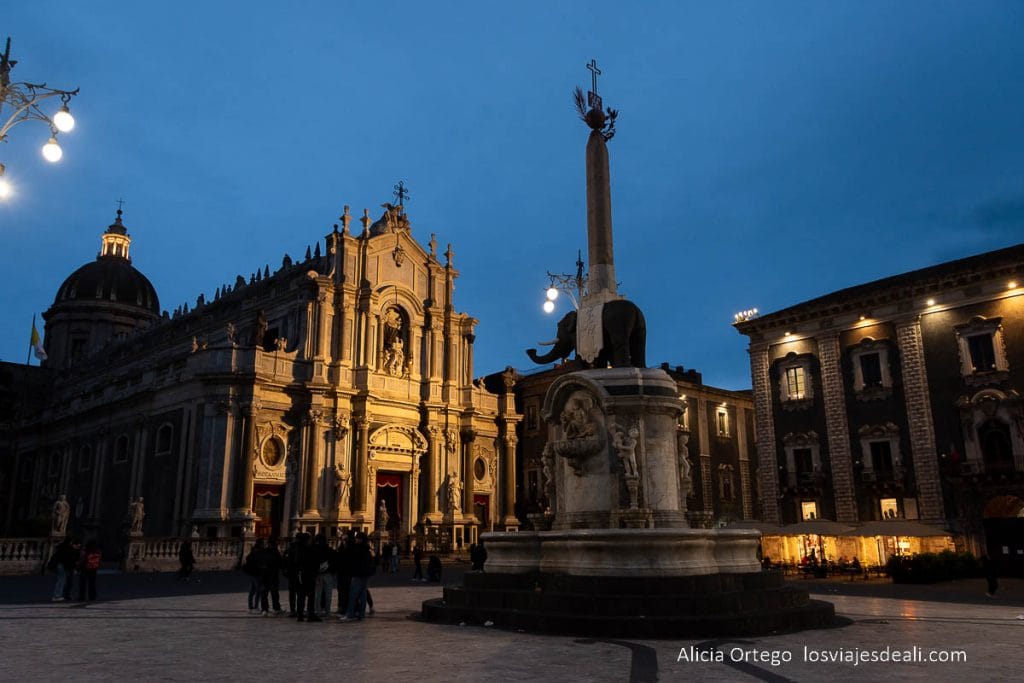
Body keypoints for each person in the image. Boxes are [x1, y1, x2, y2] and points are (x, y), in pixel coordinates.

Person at [339, 532, 373, 622]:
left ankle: (350, 614)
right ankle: (361, 613)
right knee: (363, 594)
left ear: (361, 539)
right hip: (364, 574)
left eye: (357, 538)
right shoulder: (366, 548)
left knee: (353, 594)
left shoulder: (357, 548)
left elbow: (350, 556)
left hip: (357, 573)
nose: (356, 539)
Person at [313, 534, 336, 616]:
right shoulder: (330, 550)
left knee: (317, 594)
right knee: (328, 594)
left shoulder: (315, 550)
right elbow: (334, 561)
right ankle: (327, 610)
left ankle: (317, 610)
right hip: (328, 573)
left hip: (319, 574)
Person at [242, 539, 264, 614]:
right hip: (257, 573)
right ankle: (256, 606)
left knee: (252, 590)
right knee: (258, 590)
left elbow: (248, 558)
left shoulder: (253, 551)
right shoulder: (259, 552)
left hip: (252, 573)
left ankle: (250, 606)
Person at [48, 537, 73, 601]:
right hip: (62, 565)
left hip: (58, 565)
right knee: (61, 580)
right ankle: (57, 595)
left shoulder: (60, 547)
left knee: (59, 580)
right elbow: (66, 559)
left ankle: (56, 595)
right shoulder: (66, 548)